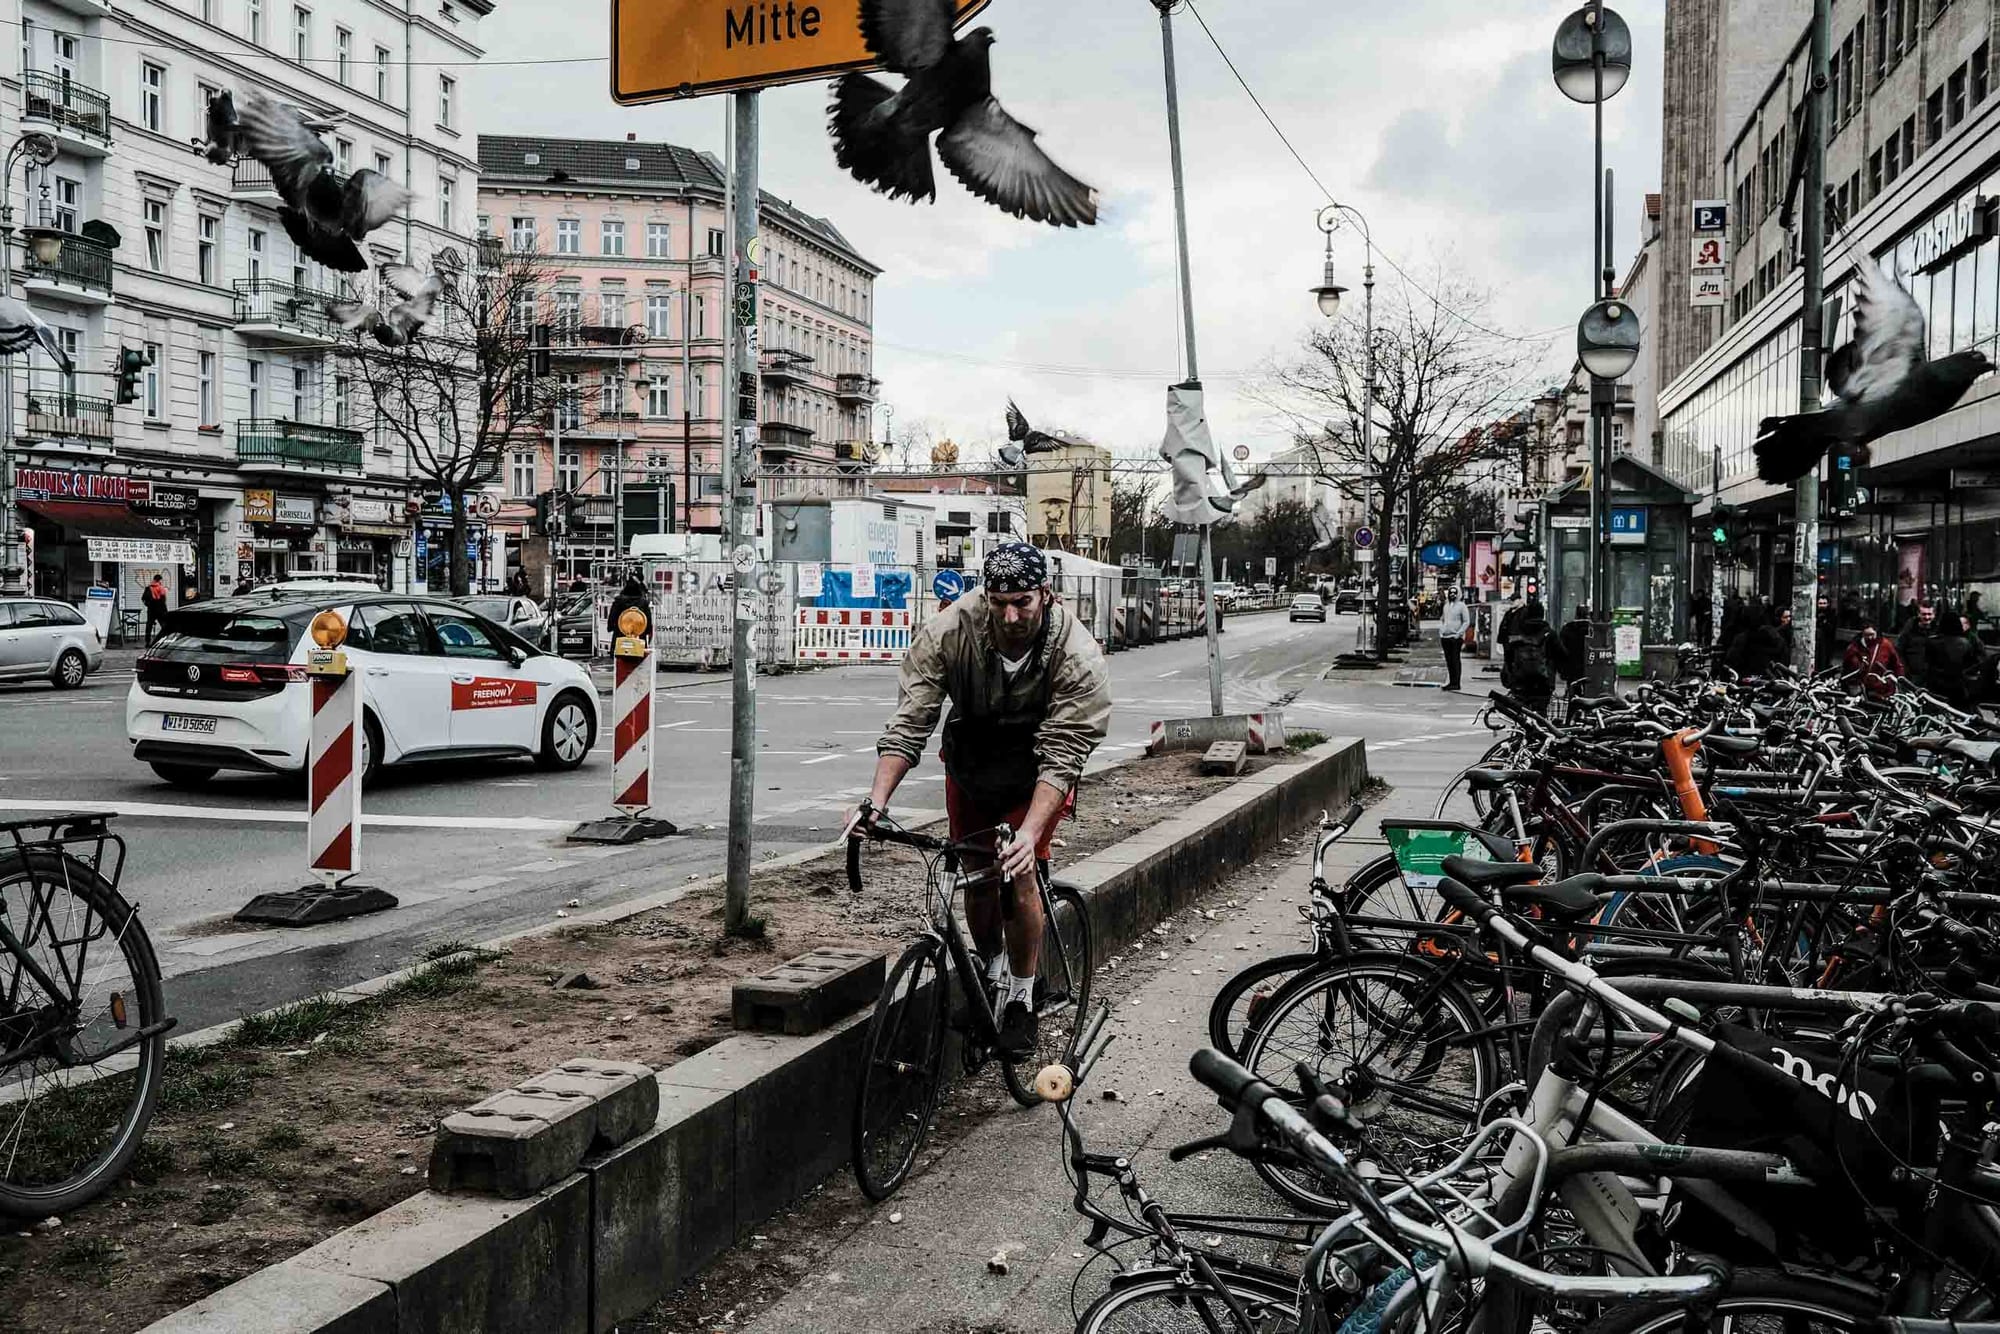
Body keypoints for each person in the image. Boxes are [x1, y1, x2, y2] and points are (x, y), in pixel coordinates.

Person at [854, 542, 1111, 1060]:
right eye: (999, 603)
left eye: (1022, 602)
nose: (1010, 616)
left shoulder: (1076, 653)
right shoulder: (950, 631)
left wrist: (1030, 834)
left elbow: (1064, 754)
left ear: (1045, 594)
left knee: (1017, 871)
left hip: (1037, 769)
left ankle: (1022, 996)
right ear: (985, 596)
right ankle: (991, 966)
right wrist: (876, 801)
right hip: (972, 762)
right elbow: (910, 722)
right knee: (975, 874)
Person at [1501, 598, 1559, 714]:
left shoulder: (1517, 635)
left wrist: (1510, 676)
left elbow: (1508, 657)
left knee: (1522, 713)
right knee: (1541, 714)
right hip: (1543, 682)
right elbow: (1561, 655)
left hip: (1521, 682)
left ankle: (1523, 724)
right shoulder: (1550, 634)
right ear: (1542, 615)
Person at [1843, 621, 1903, 699]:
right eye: (1866, 635)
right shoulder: (1853, 647)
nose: (1870, 638)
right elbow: (1846, 668)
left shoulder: (1886, 645)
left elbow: (1897, 665)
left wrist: (1898, 682)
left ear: (1876, 632)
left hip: (1880, 690)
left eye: (1872, 634)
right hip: (1858, 689)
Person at [1897, 600, 1938, 687]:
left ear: (1934, 615)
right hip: (1912, 676)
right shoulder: (1909, 630)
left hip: (1933, 677)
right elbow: (1899, 650)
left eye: (1929, 614)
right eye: (1924, 614)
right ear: (1918, 614)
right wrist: (1905, 670)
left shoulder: (1938, 631)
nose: (1927, 617)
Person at [1437, 586, 1470, 692]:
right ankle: (1451, 682)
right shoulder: (1446, 606)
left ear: (1458, 594)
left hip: (1455, 638)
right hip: (1445, 637)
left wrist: (1459, 634)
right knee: (1449, 661)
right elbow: (1443, 619)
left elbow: (1466, 621)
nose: (1452, 595)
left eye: (1454, 593)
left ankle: (1456, 683)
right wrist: (1441, 631)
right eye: (1450, 592)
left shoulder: (1462, 606)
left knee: (1455, 660)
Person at [1556, 605, 1591, 694]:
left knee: (1573, 690)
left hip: (1571, 666)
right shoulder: (1592, 629)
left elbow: (1560, 649)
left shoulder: (1567, 628)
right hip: (1588, 665)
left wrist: (1561, 669)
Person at [141, 574, 170, 646]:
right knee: (164, 625)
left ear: (154, 579)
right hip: (160, 609)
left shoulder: (148, 588)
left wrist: (148, 605)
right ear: (159, 580)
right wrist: (165, 610)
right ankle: (165, 640)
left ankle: (147, 642)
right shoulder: (161, 588)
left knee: (149, 625)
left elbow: (143, 598)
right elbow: (163, 599)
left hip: (151, 609)